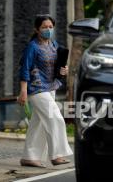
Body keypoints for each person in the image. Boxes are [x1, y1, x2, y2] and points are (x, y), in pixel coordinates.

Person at [17, 14, 73, 168]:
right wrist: (23, 92)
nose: (48, 30)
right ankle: (56, 155)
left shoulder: (53, 44)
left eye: (50, 27)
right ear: (36, 29)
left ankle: (29, 157)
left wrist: (64, 70)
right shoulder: (32, 46)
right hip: (36, 88)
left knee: (39, 124)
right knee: (55, 118)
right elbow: (24, 69)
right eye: (44, 27)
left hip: (51, 87)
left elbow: (57, 65)